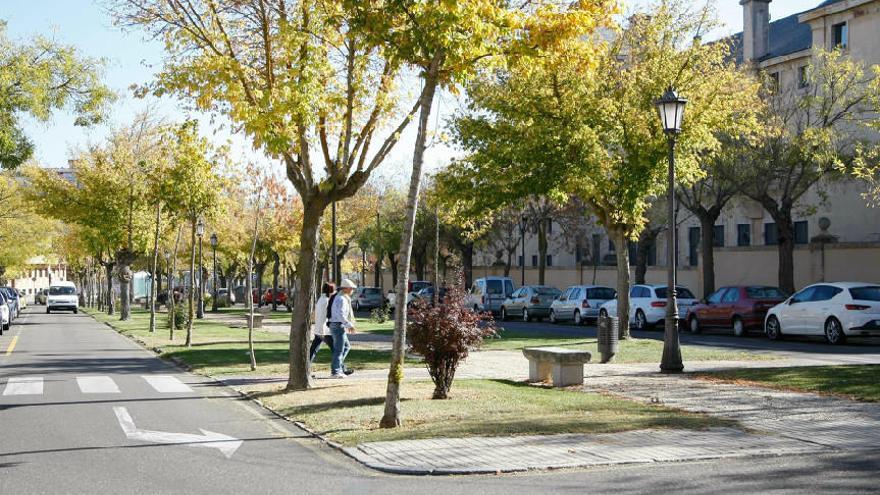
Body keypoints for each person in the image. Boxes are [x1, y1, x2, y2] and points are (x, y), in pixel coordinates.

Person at [328, 278, 358, 378]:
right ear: (346, 288)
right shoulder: (341, 299)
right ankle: (335, 371)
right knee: (339, 350)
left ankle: (338, 366)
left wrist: (347, 324)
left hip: (338, 325)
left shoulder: (342, 297)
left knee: (346, 347)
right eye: (351, 288)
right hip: (337, 325)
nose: (352, 290)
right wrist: (349, 325)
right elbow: (341, 314)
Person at [309, 283, 335, 363]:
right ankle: (341, 369)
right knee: (336, 350)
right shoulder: (327, 301)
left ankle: (306, 368)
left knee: (313, 350)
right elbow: (330, 315)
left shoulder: (321, 299)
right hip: (325, 331)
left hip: (319, 329)